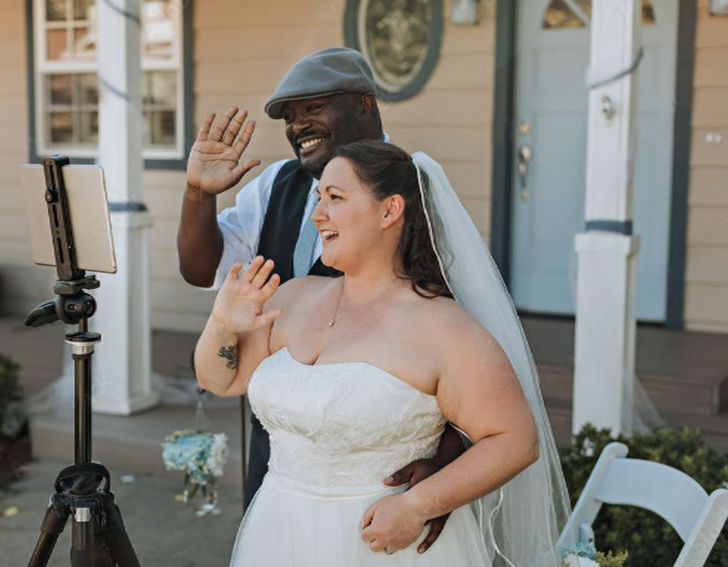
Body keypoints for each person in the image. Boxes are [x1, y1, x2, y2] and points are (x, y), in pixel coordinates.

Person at [194, 141, 571, 566]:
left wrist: (418, 506)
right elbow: (219, 379)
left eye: (335, 198)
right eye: (319, 198)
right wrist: (222, 323)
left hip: (384, 546)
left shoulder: (442, 327)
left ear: (390, 211)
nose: (318, 214)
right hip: (279, 531)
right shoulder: (294, 296)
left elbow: (515, 439)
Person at [178, 47, 465, 542]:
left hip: (378, 455)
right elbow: (199, 268)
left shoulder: (414, 189)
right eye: (289, 116)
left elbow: (463, 332)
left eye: (313, 108)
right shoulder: (276, 184)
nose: (297, 124)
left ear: (366, 105)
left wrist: (450, 453)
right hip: (283, 438)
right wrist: (198, 194)